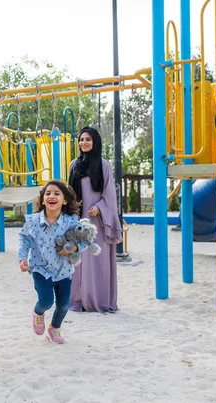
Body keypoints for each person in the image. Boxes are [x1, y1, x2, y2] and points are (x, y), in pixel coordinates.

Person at [17, 180, 86, 344]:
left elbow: (86, 241)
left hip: (64, 270)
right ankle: (38, 313)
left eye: (57, 193)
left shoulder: (71, 222)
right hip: (40, 269)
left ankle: (54, 328)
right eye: (48, 193)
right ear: (42, 200)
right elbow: (24, 238)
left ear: (65, 200)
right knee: (46, 301)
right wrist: (22, 258)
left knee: (63, 305)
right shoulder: (34, 221)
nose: (51, 196)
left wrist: (74, 248)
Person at [68, 126, 122, 313]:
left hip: (98, 221)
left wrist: (99, 208)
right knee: (79, 260)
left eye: (88, 139)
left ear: (95, 142)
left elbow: (109, 195)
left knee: (95, 260)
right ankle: (79, 299)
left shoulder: (103, 165)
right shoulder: (74, 164)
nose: (84, 142)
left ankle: (97, 299)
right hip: (78, 221)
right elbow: (70, 192)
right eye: (81, 139)